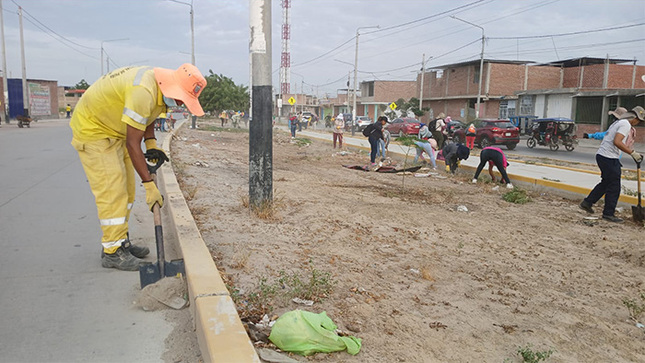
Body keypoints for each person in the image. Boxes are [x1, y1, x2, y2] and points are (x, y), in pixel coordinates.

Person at [70, 63, 207, 270]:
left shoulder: (159, 87)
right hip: (94, 130)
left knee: (127, 192)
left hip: (116, 131)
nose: (181, 103)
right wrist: (150, 185)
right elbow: (133, 143)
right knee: (113, 191)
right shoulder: (143, 90)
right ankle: (112, 252)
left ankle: (120, 241)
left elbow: (148, 117)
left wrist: (151, 143)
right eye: (182, 98)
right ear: (174, 88)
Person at [579, 106, 644, 223]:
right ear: (634, 117)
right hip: (609, 157)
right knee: (614, 186)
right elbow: (617, 142)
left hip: (603, 156)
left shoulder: (619, 122)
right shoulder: (626, 124)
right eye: (638, 120)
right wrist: (632, 153)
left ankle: (587, 202)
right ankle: (608, 213)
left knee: (606, 183)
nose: (638, 123)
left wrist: (633, 152)